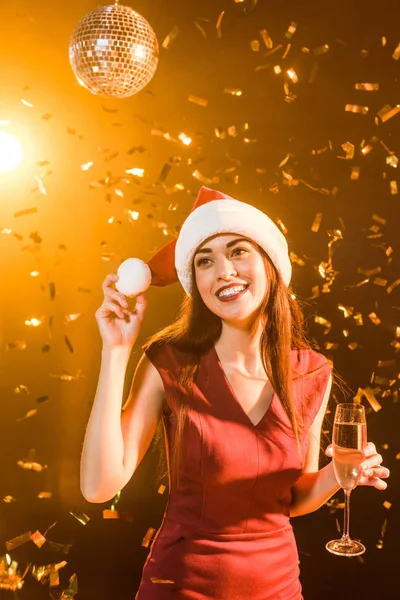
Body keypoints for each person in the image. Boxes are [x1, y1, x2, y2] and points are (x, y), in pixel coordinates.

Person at [80, 186, 389, 600]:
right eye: (205, 261)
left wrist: (336, 476)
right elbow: (99, 487)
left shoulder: (313, 371)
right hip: (180, 587)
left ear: (271, 265)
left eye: (238, 251)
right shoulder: (169, 363)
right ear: (196, 282)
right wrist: (115, 351)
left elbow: (293, 498)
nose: (223, 270)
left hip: (278, 588)